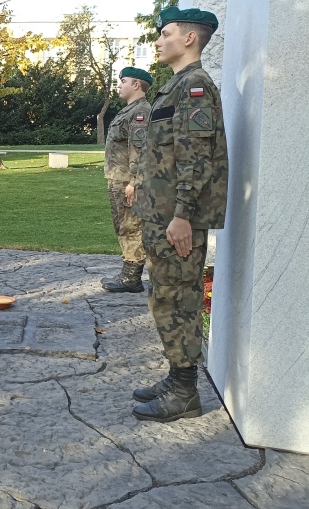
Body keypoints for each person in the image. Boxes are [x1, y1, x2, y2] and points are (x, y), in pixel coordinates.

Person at [130, 7, 228, 423]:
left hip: (176, 219)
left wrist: (184, 215)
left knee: (180, 300)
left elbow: (195, 156)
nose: (158, 40)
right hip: (163, 216)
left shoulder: (195, 87)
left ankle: (185, 392)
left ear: (189, 38)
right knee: (166, 297)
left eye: (165, 33)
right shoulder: (176, 86)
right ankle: (176, 377)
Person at [102, 67, 153, 293]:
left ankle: (132, 278)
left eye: (123, 81)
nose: (119, 85)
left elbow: (140, 151)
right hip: (118, 180)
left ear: (136, 85)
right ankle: (128, 272)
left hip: (128, 182)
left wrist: (135, 182)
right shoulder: (129, 111)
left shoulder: (140, 112)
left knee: (132, 227)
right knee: (123, 226)